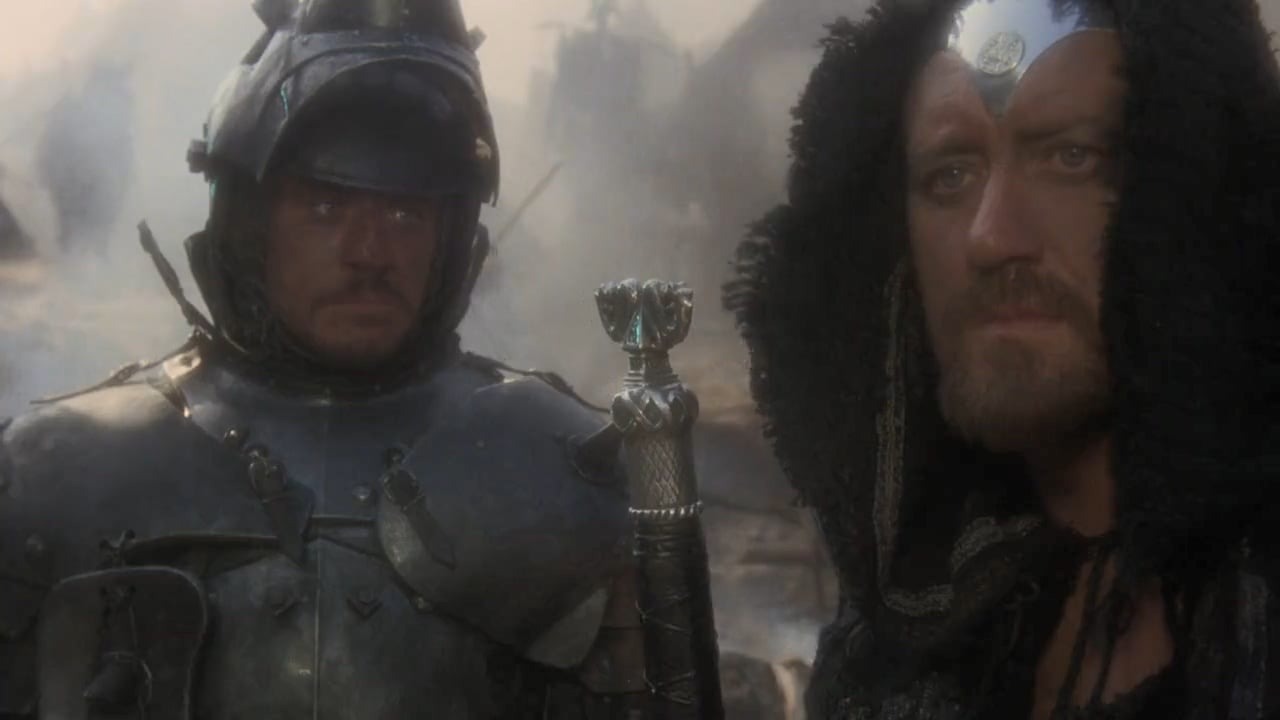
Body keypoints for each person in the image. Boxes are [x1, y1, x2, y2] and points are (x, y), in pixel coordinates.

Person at [0, 1, 654, 717]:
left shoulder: (569, 471)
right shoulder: (51, 475)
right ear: (247, 222)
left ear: (451, 234)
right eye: (324, 207)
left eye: (405, 213)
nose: (370, 252)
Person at [727, 0, 1280, 717]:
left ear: (1195, 184)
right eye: (950, 176)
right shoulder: (908, 623)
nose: (989, 237)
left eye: (1070, 157)